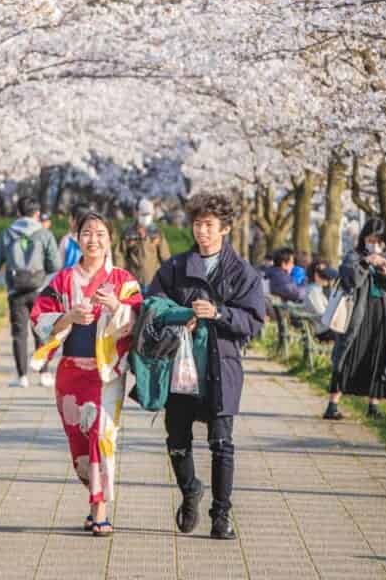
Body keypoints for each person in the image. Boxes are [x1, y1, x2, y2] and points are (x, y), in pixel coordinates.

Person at [148, 191, 265, 540]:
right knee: (177, 439)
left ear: (225, 228)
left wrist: (219, 313)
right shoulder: (175, 267)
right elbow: (151, 302)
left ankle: (222, 514)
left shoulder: (242, 273)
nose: (202, 231)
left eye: (209, 225)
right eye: (197, 224)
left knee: (221, 442)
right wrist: (180, 316)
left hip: (221, 367)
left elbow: (254, 321)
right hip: (181, 365)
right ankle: (189, 491)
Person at [30, 212, 142, 535]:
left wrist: (116, 309)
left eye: (100, 233)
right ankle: (93, 495)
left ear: (110, 239)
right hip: (71, 373)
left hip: (107, 373)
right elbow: (40, 317)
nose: (93, 239)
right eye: (87, 233)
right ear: (77, 238)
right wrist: (67, 317)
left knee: (101, 437)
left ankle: (100, 508)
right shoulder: (64, 280)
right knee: (79, 442)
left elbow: (138, 321)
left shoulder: (123, 280)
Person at [323, 217, 386, 421]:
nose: (375, 244)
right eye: (371, 239)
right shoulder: (354, 256)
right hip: (357, 316)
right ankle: (333, 404)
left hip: (382, 316)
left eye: (379, 240)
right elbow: (349, 278)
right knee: (347, 356)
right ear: (363, 238)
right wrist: (366, 262)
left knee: (378, 357)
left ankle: (373, 405)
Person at [0, 196, 60, 388]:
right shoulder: (44, 234)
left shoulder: (8, 234)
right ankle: (43, 373)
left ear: (18, 213)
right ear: (37, 214)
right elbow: (55, 264)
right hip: (40, 289)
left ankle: (22, 376)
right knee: (42, 330)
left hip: (15, 290)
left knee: (19, 333)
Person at [115, 197, 171, 290]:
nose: (146, 217)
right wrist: (120, 276)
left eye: (148, 214)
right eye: (143, 214)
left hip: (154, 281)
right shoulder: (128, 233)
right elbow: (119, 255)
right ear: (137, 214)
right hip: (132, 282)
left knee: (152, 304)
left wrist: (169, 276)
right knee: (132, 304)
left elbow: (165, 257)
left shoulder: (157, 233)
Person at [302, 259, 339, 341]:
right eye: (324, 274)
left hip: (324, 328)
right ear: (316, 275)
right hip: (322, 331)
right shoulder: (313, 291)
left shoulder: (317, 289)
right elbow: (321, 314)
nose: (327, 278)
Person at [57, 202, 90, 269]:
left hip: (68, 278)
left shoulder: (66, 240)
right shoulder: (96, 240)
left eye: (70, 216)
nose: (68, 219)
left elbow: (58, 266)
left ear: (74, 220)